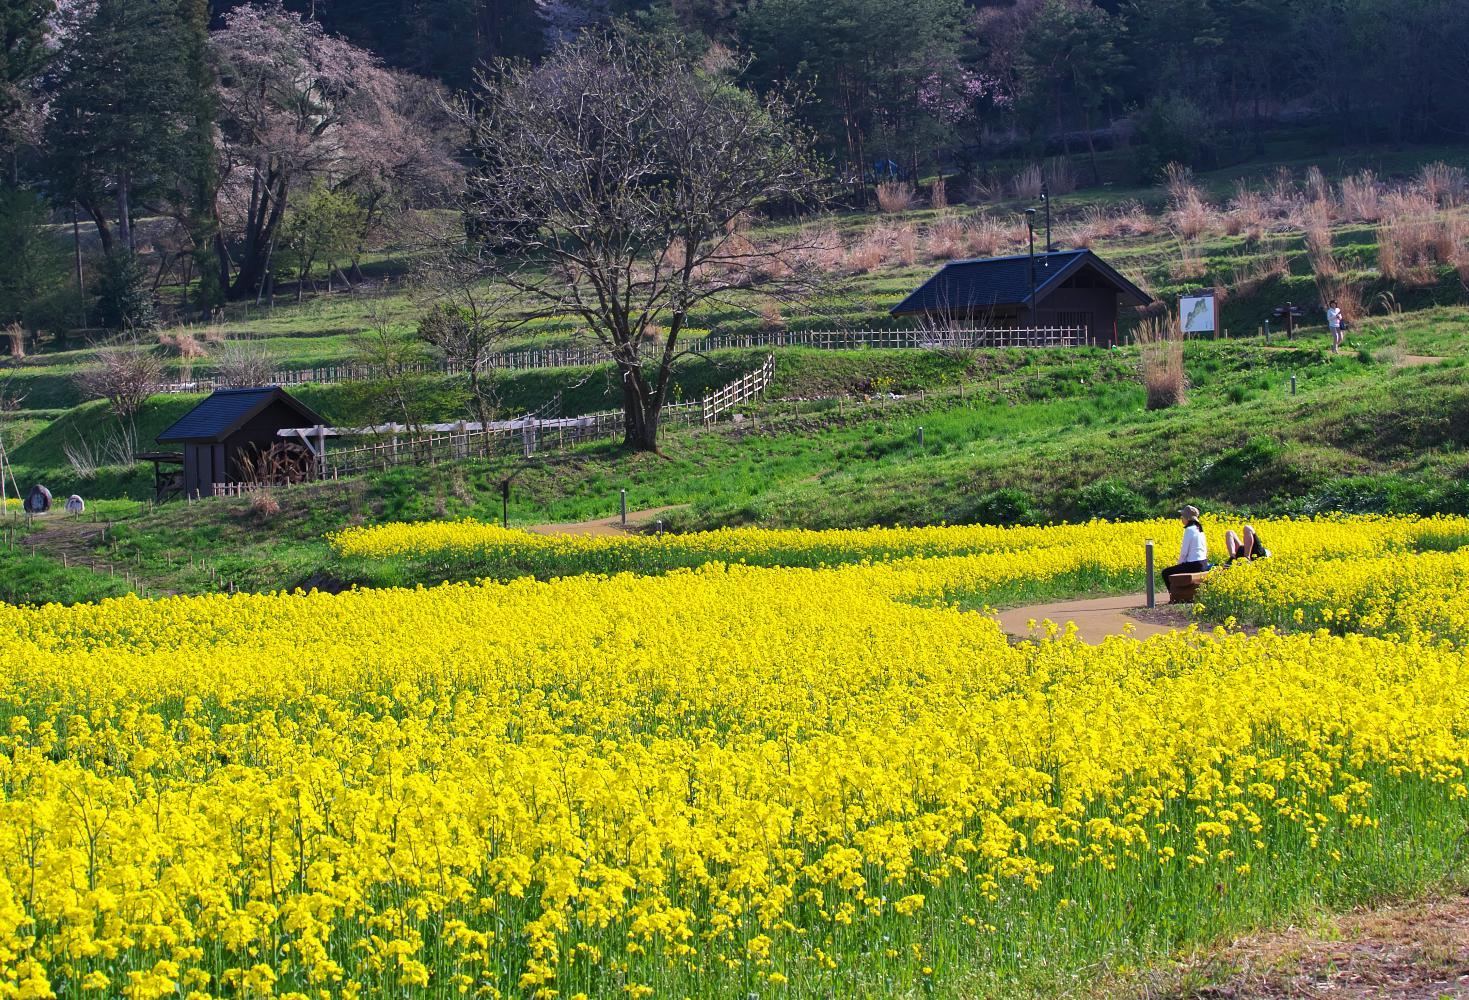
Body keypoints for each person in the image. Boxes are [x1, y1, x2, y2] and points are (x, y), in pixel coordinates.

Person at [1161, 505, 1209, 586]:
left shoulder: (1189, 530)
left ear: (1188, 518)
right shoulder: (1199, 529)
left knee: (1165, 573)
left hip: (1194, 565)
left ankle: (1174, 596)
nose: (1181, 518)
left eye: (1183, 516)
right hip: (1203, 563)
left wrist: (1179, 564)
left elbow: (1184, 552)